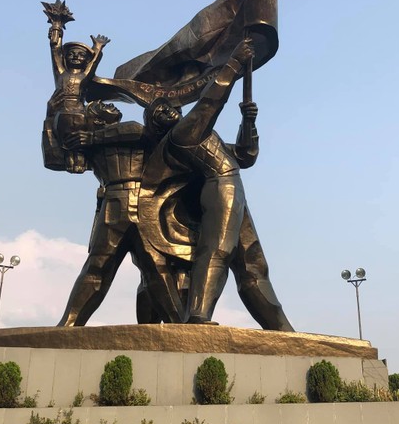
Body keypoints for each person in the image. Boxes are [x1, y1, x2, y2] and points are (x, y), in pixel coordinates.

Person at [141, 38, 293, 329]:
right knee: (218, 249)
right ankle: (198, 316)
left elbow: (244, 157)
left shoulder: (205, 135)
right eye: (159, 114)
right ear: (157, 128)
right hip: (220, 186)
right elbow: (210, 103)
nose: (167, 111)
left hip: (233, 188)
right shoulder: (181, 136)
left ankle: (282, 330)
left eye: (168, 107)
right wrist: (234, 64)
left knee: (254, 266)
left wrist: (248, 124)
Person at [56, 101, 185, 326]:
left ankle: (178, 324)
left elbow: (138, 130)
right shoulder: (91, 142)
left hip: (142, 203)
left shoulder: (125, 133)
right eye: (101, 105)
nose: (110, 104)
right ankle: (69, 323)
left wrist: (93, 138)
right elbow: (59, 150)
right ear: (95, 119)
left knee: (155, 266)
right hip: (115, 203)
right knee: (98, 266)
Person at [46, 16, 110, 173]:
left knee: (80, 143)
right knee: (67, 143)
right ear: (66, 57)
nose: (76, 56)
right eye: (72, 54)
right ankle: (68, 160)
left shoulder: (84, 76)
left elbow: (93, 64)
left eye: (81, 55)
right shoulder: (61, 73)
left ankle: (81, 161)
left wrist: (98, 48)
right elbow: (55, 51)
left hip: (80, 112)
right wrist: (57, 27)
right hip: (63, 113)